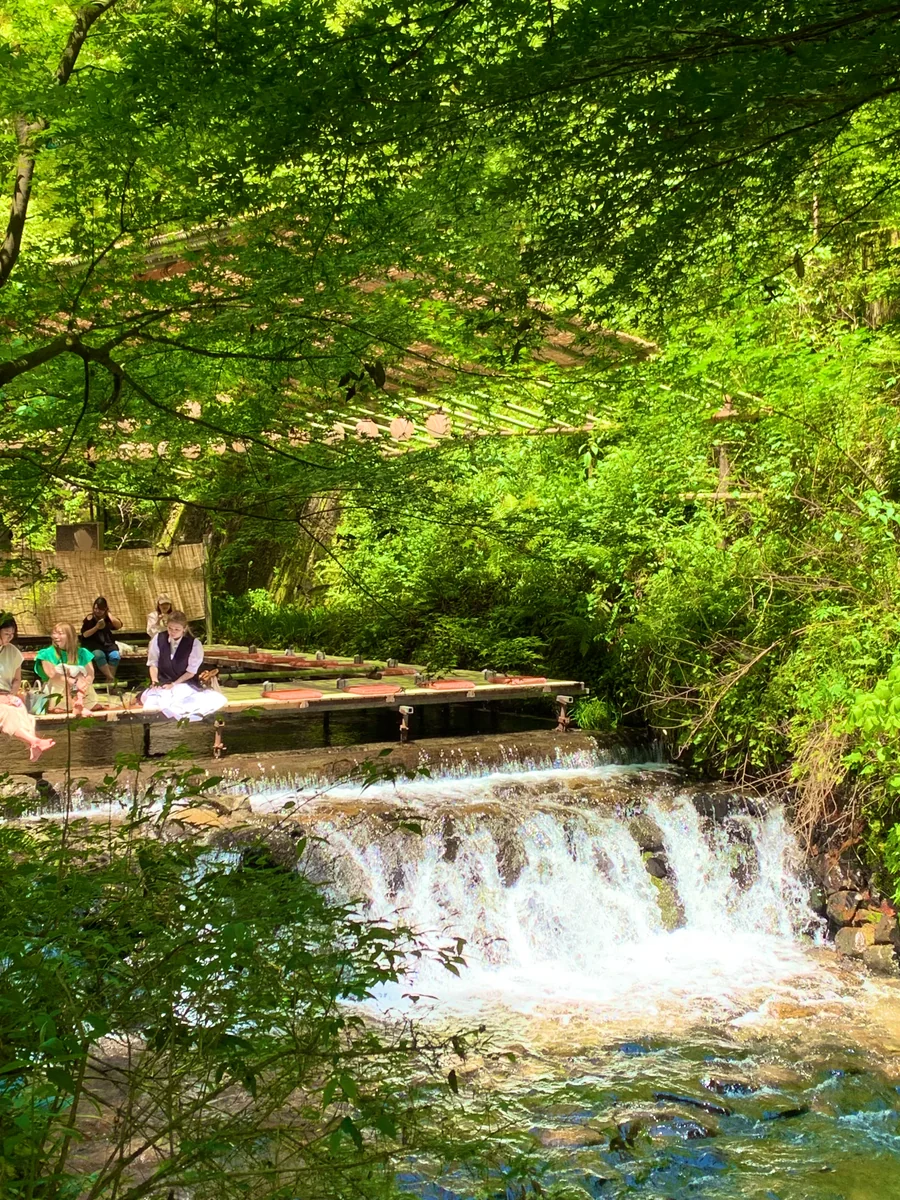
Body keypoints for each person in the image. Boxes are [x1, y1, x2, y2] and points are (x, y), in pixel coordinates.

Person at [142, 611, 227, 721]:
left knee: (183, 700)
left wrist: (174, 684)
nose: (172, 632)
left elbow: (191, 672)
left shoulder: (194, 644)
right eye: (170, 628)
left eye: (177, 629)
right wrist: (154, 681)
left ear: (184, 628)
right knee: (154, 702)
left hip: (184, 683)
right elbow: (153, 663)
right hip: (162, 683)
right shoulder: (158, 639)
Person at [0, 614, 55, 760]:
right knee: (9, 713)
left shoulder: (13, 652)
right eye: (6, 634)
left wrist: (11, 695)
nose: (9, 637)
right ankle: (34, 741)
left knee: (26, 715)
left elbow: (17, 679)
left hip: (7, 694)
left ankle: (34, 745)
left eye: (12, 634)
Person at [34, 623, 99, 714]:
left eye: (60, 633)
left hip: (81, 688)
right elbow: (52, 675)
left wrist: (82, 684)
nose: (56, 636)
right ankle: (62, 705)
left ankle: (81, 702)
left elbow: (90, 674)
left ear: (70, 636)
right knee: (63, 669)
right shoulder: (46, 654)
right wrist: (73, 682)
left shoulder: (83, 653)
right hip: (57, 687)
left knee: (80, 672)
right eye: (54, 633)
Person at [80, 596, 123, 685]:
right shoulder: (90, 618)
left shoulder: (108, 618)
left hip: (107, 643)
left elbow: (118, 625)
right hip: (93, 644)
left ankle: (109, 682)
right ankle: (111, 678)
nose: (97, 611)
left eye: (100, 609)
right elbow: (84, 634)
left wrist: (109, 614)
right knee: (99, 655)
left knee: (115, 656)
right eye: (95, 608)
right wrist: (96, 627)